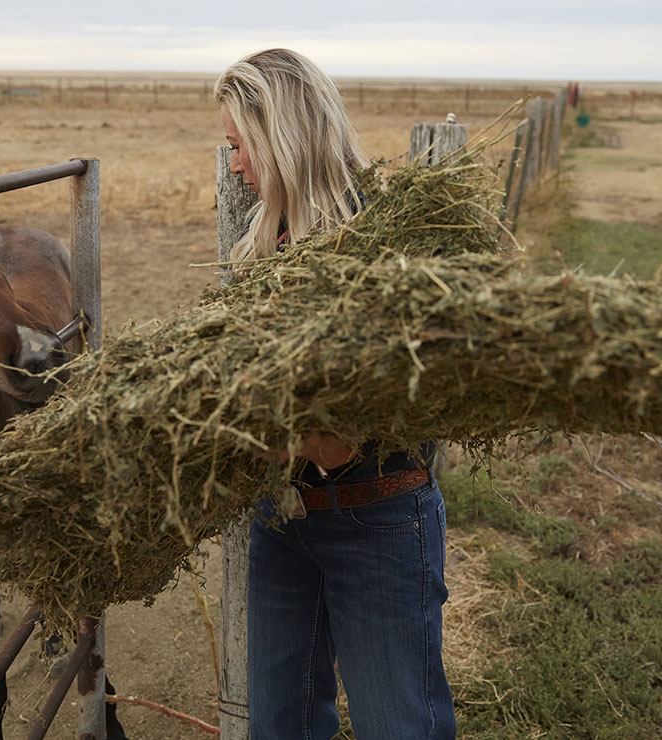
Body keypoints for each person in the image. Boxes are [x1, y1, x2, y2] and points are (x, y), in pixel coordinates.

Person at [214, 49, 456, 740]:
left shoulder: (384, 238)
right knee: (281, 724)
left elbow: (347, 433)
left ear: (280, 135)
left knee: (398, 725)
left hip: (379, 518)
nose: (234, 165)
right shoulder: (263, 246)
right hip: (283, 518)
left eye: (239, 146)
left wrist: (244, 418)